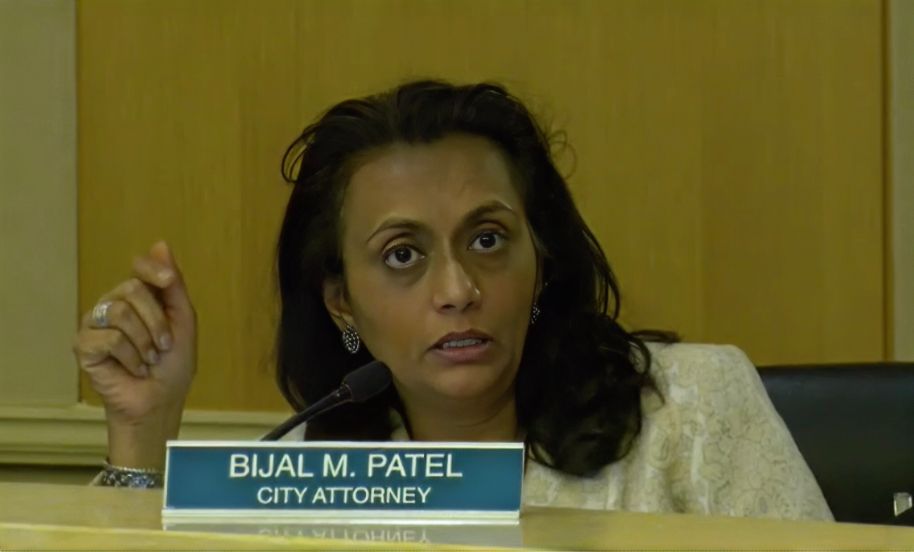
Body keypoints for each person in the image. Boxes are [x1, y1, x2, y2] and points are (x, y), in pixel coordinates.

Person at [73, 80, 833, 520]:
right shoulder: (306, 479)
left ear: (541, 259)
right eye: (402, 255)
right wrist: (143, 435)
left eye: (489, 239)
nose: (459, 290)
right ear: (341, 303)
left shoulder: (694, 410)